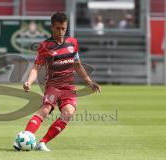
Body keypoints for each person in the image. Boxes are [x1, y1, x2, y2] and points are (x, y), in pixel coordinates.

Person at [14, 12, 101, 151]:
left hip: (68, 87)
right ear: (52, 27)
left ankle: (42, 142)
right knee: (45, 110)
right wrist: (29, 82)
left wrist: (89, 81)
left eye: (64, 28)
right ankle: (23, 138)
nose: (61, 32)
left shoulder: (73, 43)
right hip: (53, 86)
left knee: (68, 113)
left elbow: (77, 65)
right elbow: (36, 68)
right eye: (58, 28)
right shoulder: (45, 46)